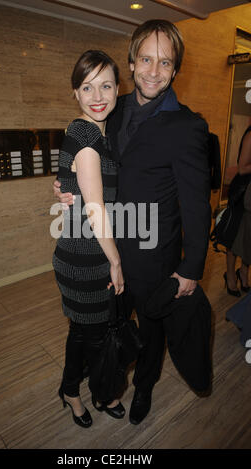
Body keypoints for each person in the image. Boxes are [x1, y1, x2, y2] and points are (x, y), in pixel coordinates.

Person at [54, 20, 211, 425]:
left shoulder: (188, 126)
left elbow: (197, 206)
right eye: (145, 59)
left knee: (153, 334)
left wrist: (191, 268)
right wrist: (66, 187)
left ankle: (143, 388)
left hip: (154, 259)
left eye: (164, 62)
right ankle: (106, 385)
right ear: (131, 61)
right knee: (109, 330)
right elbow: (88, 162)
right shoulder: (112, 105)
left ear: (175, 70)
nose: (153, 70)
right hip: (105, 254)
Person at [53, 50, 126, 429]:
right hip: (85, 257)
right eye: (87, 87)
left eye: (106, 85)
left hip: (84, 250)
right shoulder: (85, 135)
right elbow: (96, 211)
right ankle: (75, 391)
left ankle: (96, 390)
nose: (98, 95)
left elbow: (79, 191)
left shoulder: (95, 132)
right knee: (89, 333)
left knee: (87, 332)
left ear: (118, 89)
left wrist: (63, 186)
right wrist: (115, 261)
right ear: (75, 93)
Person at [225, 103, 251, 295]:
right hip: (242, 193)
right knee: (234, 237)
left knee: (250, 238)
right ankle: (230, 276)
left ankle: (243, 273)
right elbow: (242, 168)